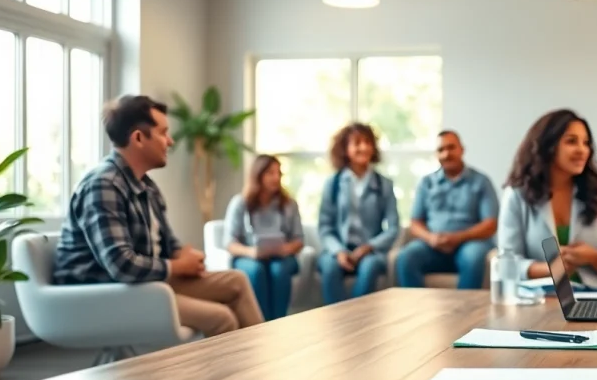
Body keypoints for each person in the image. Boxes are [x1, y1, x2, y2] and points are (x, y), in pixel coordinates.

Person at [53, 95, 264, 337]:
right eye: (163, 133)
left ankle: (257, 367)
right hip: (104, 293)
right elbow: (121, 265)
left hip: (144, 285)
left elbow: (169, 244)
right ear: (139, 138)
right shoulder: (103, 185)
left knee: (236, 281)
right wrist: (176, 265)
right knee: (221, 317)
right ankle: (230, 374)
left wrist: (184, 256)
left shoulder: (147, 186)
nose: (171, 141)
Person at [497, 109, 597, 289]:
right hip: (538, 296)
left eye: (586, 143)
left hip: (592, 295)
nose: (582, 150)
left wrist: (593, 257)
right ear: (547, 146)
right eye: (571, 141)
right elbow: (506, 264)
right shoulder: (517, 194)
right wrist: (549, 269)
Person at [395, 131, 498, 290]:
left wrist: (458, 237)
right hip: (432, 246)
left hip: (469, 244)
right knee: (405, 257)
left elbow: (490, 224)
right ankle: (417, 310)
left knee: (473, 257)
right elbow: (415, 223)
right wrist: (431, 238)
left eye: (451, 148)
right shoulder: (426, 183)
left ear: (462, 150)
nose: (446, 154)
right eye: (441, 150)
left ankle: (464, 313)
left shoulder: (481, 182)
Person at [316, 122, 399, 305]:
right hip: (338, 249)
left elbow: (393, 228)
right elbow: (325, 227)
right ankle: (337, 322)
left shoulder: (384, 184)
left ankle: (356, 321)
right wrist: (338, 251)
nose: (364, 147)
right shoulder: (333, 183)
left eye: (368, 142)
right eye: (357, 143)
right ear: (345, 149)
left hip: (370, 252)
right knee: (330, 268)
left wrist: (369, 246)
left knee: (370, 268)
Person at [223, 154, 305, 321]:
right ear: (258, 175)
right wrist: (251, 252)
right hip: (250, 257)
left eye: (278, 173)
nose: (276, 177)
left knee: (278, 270)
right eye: (270, 173)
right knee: (256, 270)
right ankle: (259, 323)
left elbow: (299, 239)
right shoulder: (240, 203)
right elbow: (229, 243)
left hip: (282, 258)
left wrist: (285, 249)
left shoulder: (289, 204)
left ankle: (279, 321)